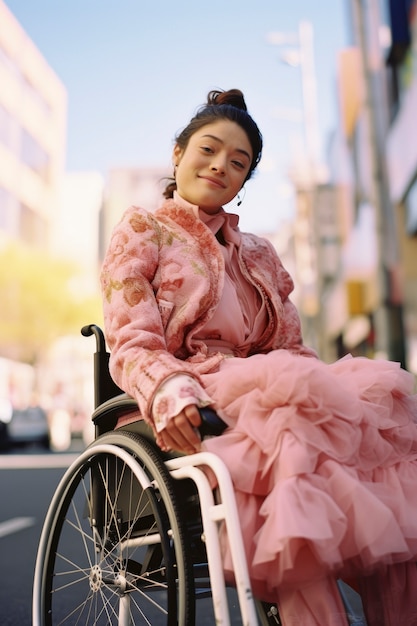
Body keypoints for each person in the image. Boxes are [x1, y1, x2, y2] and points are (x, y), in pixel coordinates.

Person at [100, 88, 417, 625]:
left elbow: (291, 349)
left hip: (268, 388)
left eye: (239, 162)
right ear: (178, 154)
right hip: (190, 393)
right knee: (292, 434)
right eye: (208, 149)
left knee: (383, 421)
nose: (221, 165)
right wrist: (170, 391)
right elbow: (131, 339)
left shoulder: (261, 253)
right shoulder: (142, 228)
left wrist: (335, 402)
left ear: (245, 181)